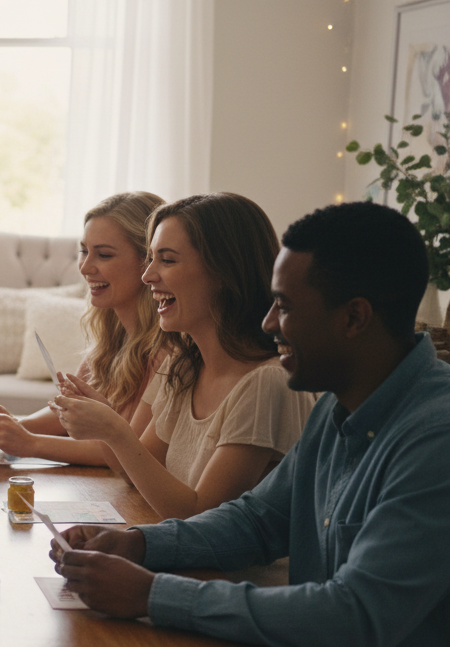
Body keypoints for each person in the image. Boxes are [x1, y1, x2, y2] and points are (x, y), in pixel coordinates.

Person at [53, 201, 450, 647]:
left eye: (284, 307)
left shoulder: (434, 439)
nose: (268, 324)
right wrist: (139, 543)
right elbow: (257, 520)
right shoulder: (338, 406)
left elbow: (354, 616)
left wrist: (152, 593)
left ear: (354, 318)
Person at [54, 193, 316, 519]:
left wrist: (115, 431)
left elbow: (201, 516)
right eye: (150, 258)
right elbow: (136, 473)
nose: (147, 276)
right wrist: (106, 425)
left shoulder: (266, 382)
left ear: (224, 272)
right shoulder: (185, 367)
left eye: (167, 260)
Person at [0, 191, 167, 465]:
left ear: (148, 261)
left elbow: (131, 453)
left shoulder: (166, 352)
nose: (85, 267)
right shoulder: (112, 338)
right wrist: (13, 426)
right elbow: (69, 411)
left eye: (104, 255)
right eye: (84, 251)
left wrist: (30, 443)